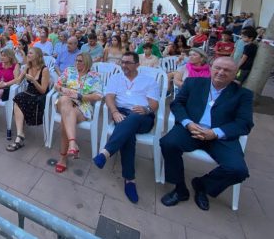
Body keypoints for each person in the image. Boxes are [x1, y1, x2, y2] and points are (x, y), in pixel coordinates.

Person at [160, 57, 253, 211]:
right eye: (218, 68)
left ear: (235, 74)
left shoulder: (243, 95)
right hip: (191, 129)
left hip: (220, 137)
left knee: (238, 170)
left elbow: (244, 123)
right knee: (168, 143)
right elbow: (177, 104)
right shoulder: (193, 83)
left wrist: (215, 133)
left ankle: (202, 185)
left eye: (227, 70)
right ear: (211, 68)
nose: (221, 72)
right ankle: (180, 188)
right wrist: (188, 123)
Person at [93, 52, 159, 204]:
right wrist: (114, 112)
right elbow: (109, 97)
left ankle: (106, 152)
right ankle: (129, 180)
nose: (124, 65)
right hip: (121, 113)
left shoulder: (148, 81)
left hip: (143, 116)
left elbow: (154, 104)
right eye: (122, 62)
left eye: (128, 63)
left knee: (134, 117)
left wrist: (147, 109)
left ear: (137, 64)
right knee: (128, 135)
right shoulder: (115, 78)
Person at [53, 52, 102, 173]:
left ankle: (64, 156)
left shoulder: (94, 76)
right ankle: (73, 143)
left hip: (83, 106)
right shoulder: (69, 71)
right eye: (76, 60)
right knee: (64, 99)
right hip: (64, 101)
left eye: (80, 61)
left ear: (87, 62)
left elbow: (98, 96)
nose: (76, 63)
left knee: (66, 119)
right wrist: (61, 89)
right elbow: (56, 85)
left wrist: (80, 96)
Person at [6, 47, 50, 151]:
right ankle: (20, 134)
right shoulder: (26, 67)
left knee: (20, 99)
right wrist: (4, 83)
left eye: (30, 53)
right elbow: (18, 81)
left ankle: (20, 135)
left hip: (39, 96)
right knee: (18, 98)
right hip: (28, 93)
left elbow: (43, 90)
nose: (28, 55)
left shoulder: (44, 70)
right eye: (28, 53)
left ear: (37, 56)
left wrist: (33, 81)